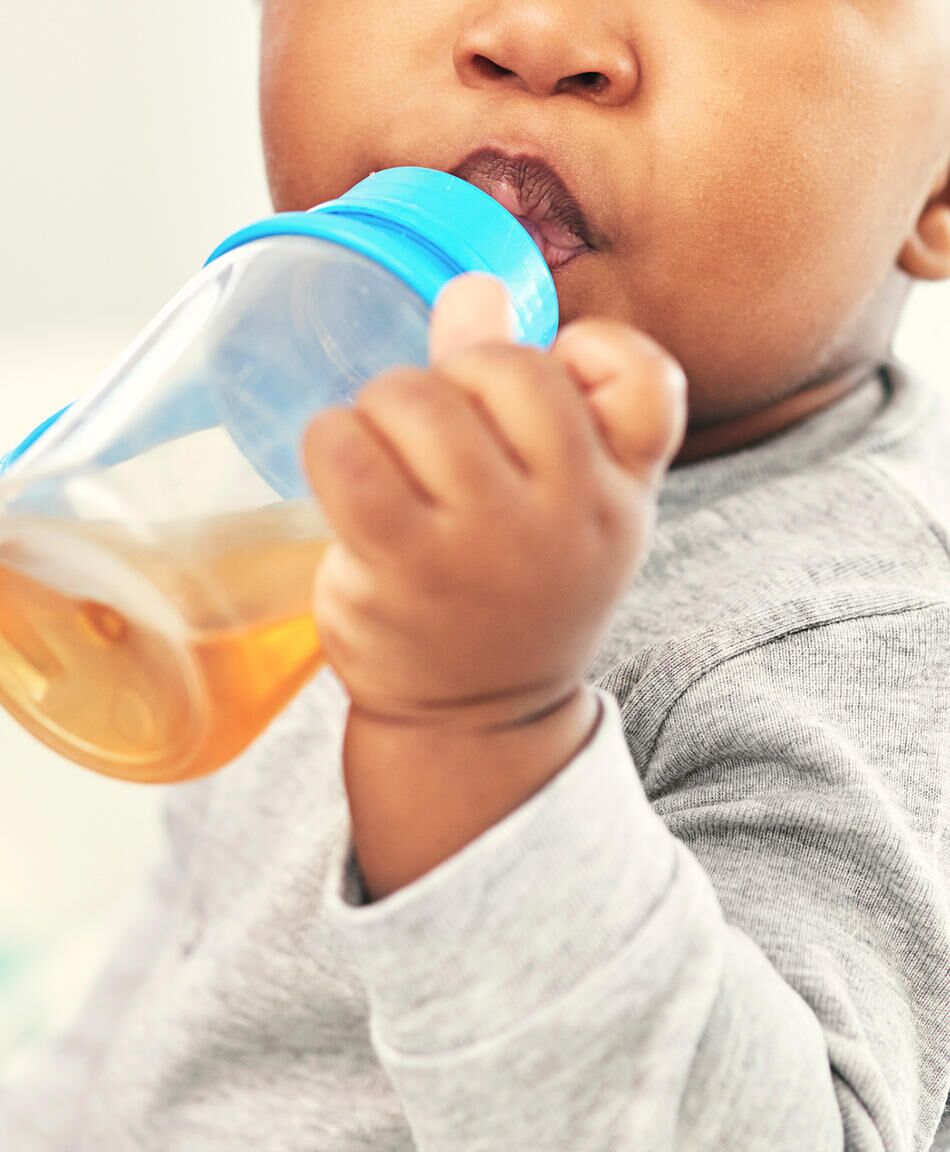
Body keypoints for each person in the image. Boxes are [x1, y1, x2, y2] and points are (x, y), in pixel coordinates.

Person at [3, 0, 950, 1148]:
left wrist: (484, 731)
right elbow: (171, 1010)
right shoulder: (351, 429)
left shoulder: (845, 640)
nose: (538, 34)